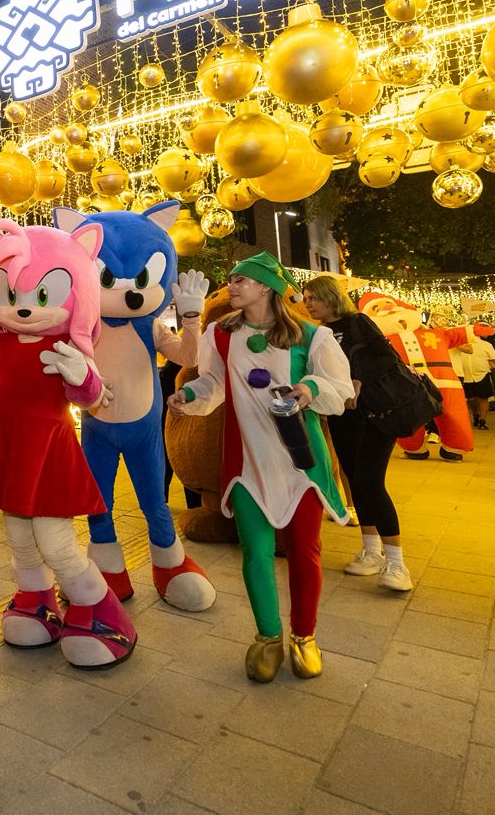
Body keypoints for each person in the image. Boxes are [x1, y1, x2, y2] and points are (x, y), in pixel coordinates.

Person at [169, 253, 353, 683]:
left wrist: (309, 388)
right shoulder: (220, 334)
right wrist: (188, 395)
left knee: (305, 552)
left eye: (241, 280)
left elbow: (340, 389)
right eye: (231, 280)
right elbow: (213, 384)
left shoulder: (313, 336)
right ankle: (268, 637)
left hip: (299, 466)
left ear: (267, 287)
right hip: (246, 464)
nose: (232, 286)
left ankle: (305, 637)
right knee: (255, 552)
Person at [302, 275, 412, 593]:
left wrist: (359, 379)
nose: (308, 304)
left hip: (376, 413)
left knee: (371, 481)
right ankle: (371, 550)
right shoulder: (317, 333)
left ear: (330, 297)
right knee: (355, 479)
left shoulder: (358, 322)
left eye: (313, 298)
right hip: (342, 415)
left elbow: (387, 358)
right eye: (305, 298)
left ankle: (397, 562)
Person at [454, 329, 495, 430]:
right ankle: (475, 413)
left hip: (483, 374)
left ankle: (482, 421)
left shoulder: (486, 345)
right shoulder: (460, 345)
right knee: (471, 399)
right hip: (466, 377)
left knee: (483, 398)